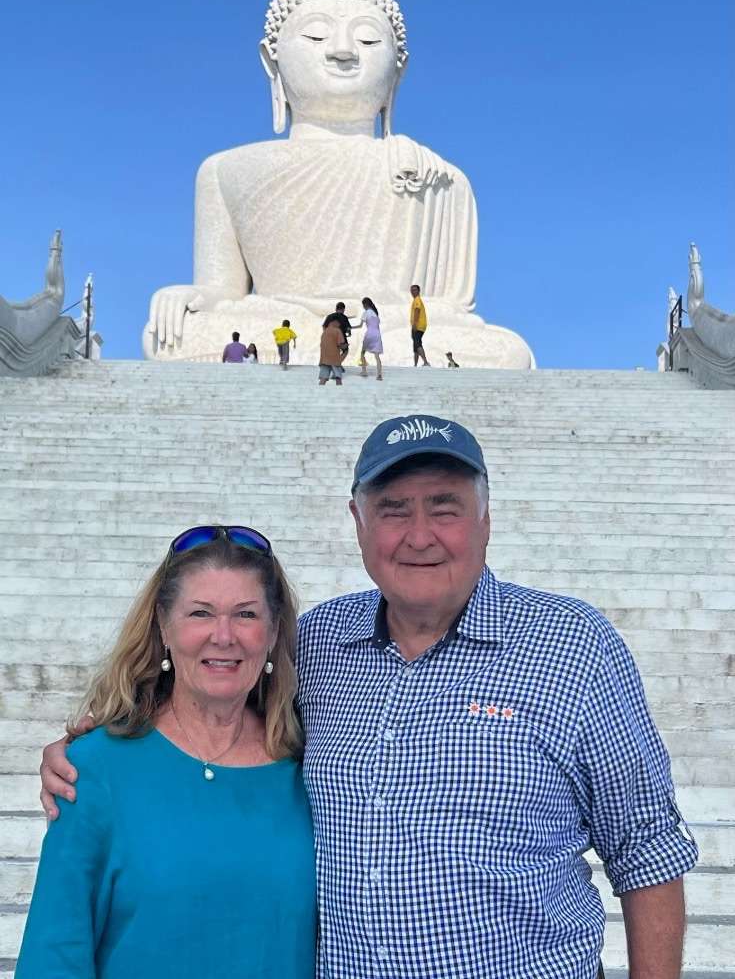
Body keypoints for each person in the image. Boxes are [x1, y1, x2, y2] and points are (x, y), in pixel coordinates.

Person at [41, 417, 698, 979]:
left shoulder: (572, 648)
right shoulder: (322, 643)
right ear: (357, 523)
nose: (418, 535)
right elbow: (216, 680)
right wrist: (101, 747)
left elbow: (646, 852)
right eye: (392, 511)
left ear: (485, 520)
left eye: (444, 507)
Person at [23, 525, 316, 979]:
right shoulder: (93, 769)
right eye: (200, 613)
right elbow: (55, 952)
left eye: (246, 615)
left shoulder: (314, 766)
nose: (223, 636)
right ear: (163, 625)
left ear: (274, 630)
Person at [351, 296, 383, 381]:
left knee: (362, 353)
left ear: (365, 304)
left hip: (369, 334)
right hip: (377, 334)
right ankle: (379, 375)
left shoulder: (366, 313)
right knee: (377, 356)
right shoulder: (375, 313)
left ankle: (364, 371)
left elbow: (360, 326)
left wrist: (351, 327)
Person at [318, 318, 345, 387]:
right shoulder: (337, 330)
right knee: (338, 377)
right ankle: (339, 393)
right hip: (334, 358)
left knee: (323, 378)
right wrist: (345, 347)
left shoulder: (325, 331)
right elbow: (340, 343)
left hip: (324, 358)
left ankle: (319, 393)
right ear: (336, 323)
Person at [409, 284, 430, 366]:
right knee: (415, 345)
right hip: (419, 326)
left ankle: (425, 362)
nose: (412, 292)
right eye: (411, 290)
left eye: (414, 290)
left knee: (417, 344)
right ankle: (415, 364)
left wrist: (414, 324)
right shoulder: (416, 300)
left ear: (418, 291)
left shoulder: (417, 300)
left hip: (418, 326)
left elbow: (417, 311)